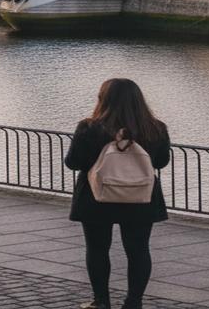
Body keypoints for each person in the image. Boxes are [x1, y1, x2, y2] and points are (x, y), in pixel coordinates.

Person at [64, 78, 170, 309]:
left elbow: (73, 163)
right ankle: (134, 302)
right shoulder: (155, 128)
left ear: (103, 99)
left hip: (96, 196)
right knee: (139, 250)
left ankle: (101, 301)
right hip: (140, 197)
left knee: (97, 248)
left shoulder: (89, 127)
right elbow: (161, 161)